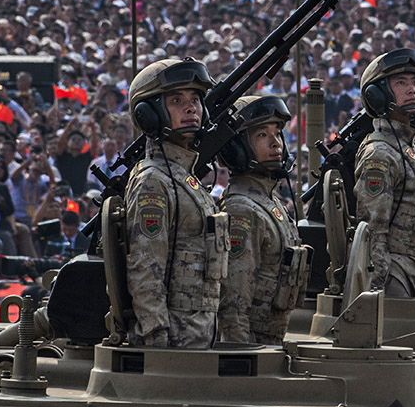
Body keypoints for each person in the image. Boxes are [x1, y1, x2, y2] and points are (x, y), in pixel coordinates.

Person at [123, 58, 229, 348]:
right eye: (176, 100)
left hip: (198, 336)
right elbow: (146, 269)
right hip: (175, 345)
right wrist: (157, 341)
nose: (191, 107)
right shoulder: (153, 181)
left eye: (195, 99)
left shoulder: (187, 179)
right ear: (150, 114)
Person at [217, 96, 310, 344]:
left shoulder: (269, 202)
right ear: (237, 149)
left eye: (277, 133)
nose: (276, 143)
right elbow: (234, 304)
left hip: (271, 341)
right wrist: (243, 359)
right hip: (253, 346)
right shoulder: (241, 210)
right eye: (262, 135)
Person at [353, 48, 415, 297]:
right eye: (401, 83)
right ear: (378, 95)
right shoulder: (380, 153)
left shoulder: (412, 150)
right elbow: (373, 230)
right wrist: (378, 291)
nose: (412, 89)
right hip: (394, 277)